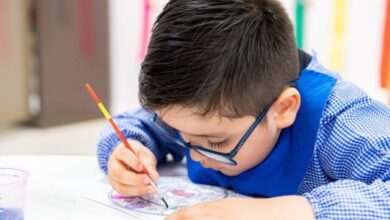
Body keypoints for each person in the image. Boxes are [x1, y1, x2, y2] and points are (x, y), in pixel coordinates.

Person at [97, 0, 390, 219]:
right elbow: (136, 124)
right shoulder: (198, 107)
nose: (196, 154)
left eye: (216, 143)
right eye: (178, 133)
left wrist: (279, 212)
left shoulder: (338, 120)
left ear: (283, 109)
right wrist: (128, 151)